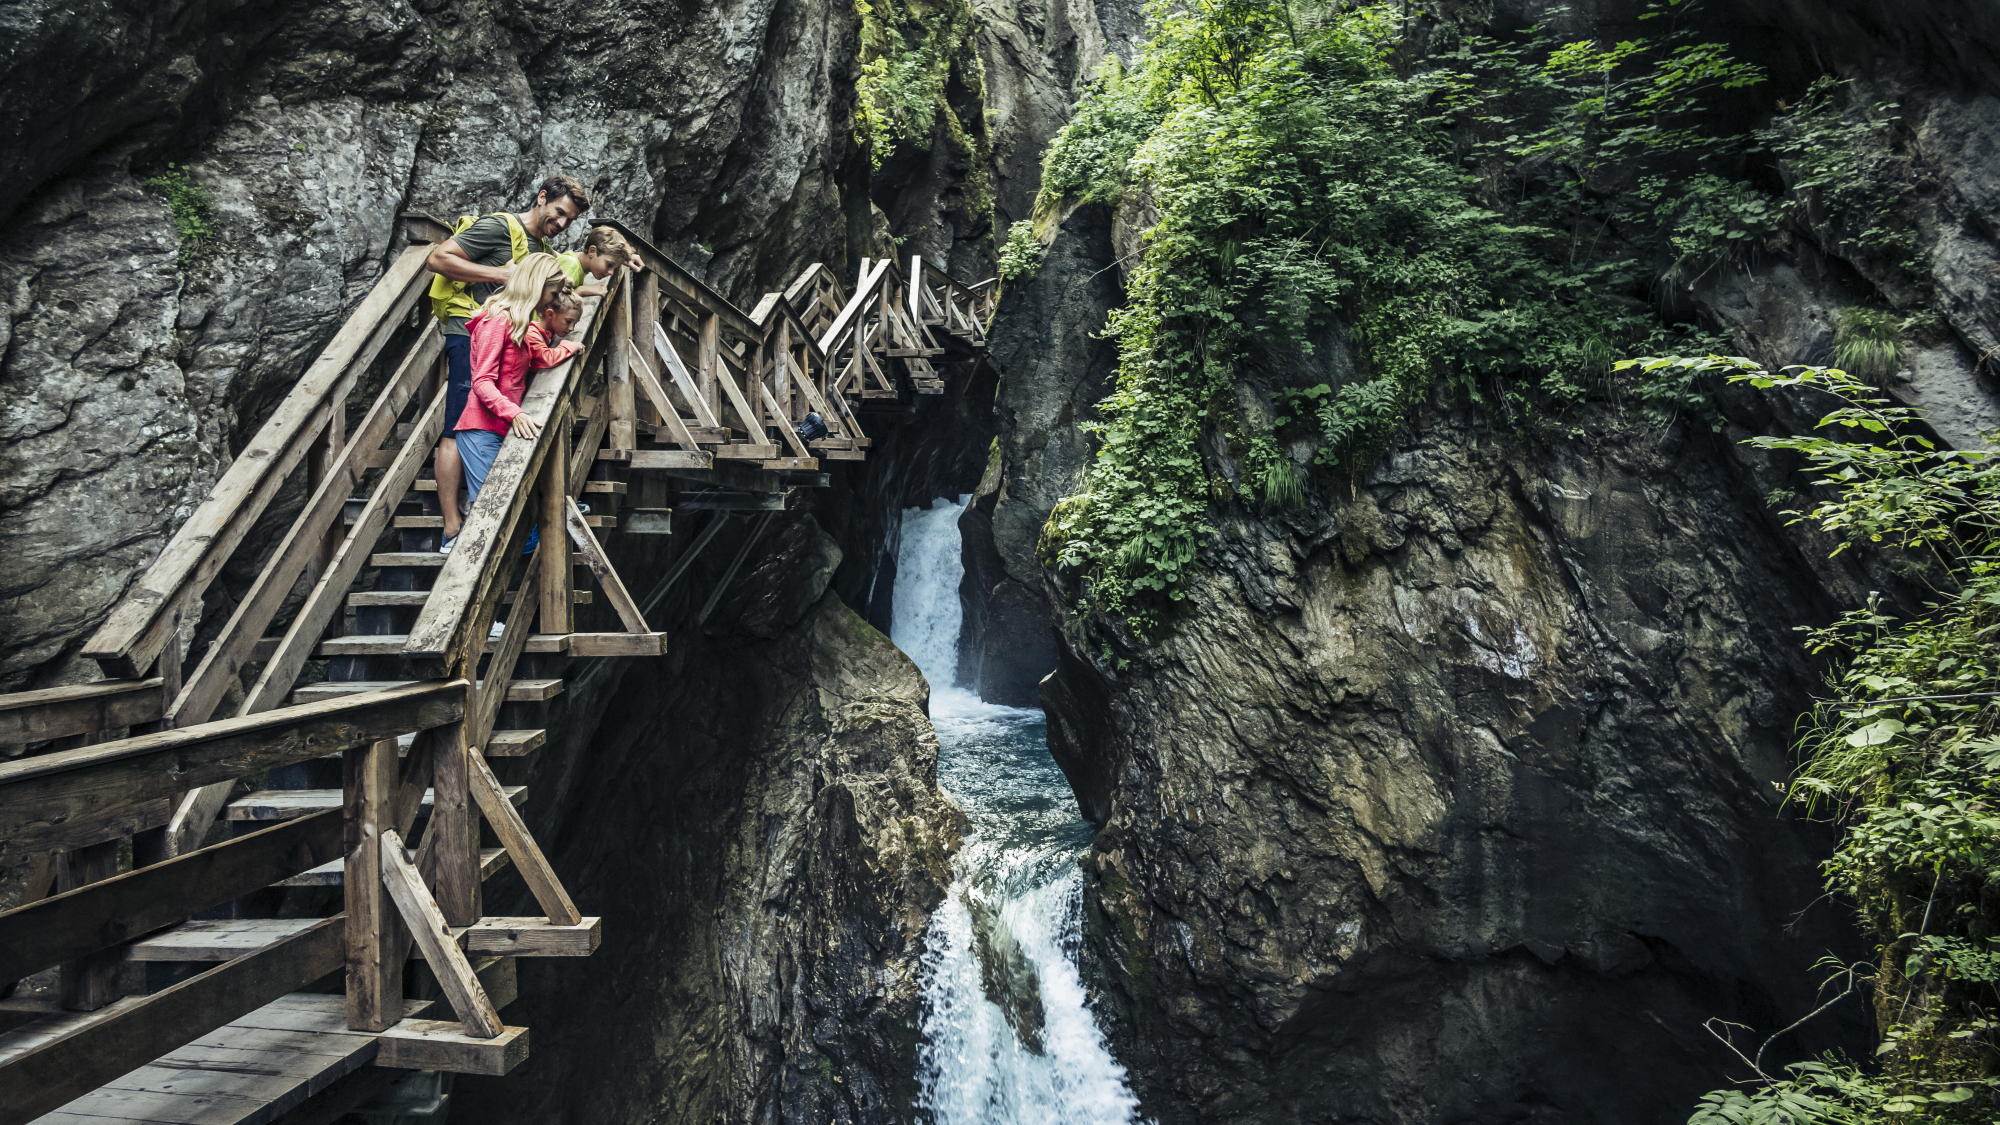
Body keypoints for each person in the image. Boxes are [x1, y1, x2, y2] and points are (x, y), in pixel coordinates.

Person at [426, 174, 591, 545]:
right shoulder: (500, 227)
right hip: (471, 332)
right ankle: (452, 527)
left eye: (570, 220)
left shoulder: (541, 245)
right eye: (560, 212)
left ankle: (506, 512)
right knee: (456, 426)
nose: (562, 223)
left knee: (481, 424)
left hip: (505, 337)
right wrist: (500, 274)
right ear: (542, 197)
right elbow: (438, 258)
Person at [442, 255, 579, 556]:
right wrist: (515, 412)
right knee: (495, 508)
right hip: (480, 429)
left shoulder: (519, 323)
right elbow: (481, 382)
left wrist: (569, 345)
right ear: (536, 285)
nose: (553, 301)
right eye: (553, 293)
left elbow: (538, 358)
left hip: (499, 428)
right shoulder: (497, 320)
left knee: (511, 509)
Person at [557, 225, 636, 297]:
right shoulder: (571, 265)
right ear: (592, 251)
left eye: (614, 268)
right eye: (609, 265)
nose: (611, 273)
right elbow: (554, 303)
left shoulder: (580, 267)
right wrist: (581, 290)